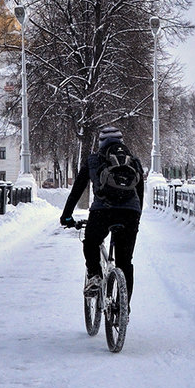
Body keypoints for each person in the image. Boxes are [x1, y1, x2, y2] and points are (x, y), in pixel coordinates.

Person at [60, 126, 147, 300]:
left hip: (102, 212)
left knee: (91, 242)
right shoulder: (134, 161)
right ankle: (124, 308)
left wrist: (67, 216)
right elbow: (140, 192)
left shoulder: (93, 160)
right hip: (131, 213)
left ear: (101, 142)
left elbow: (77, 190)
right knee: (125, 262)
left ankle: (95, 276)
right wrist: (136, 216)